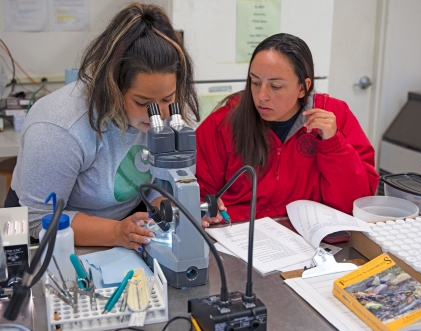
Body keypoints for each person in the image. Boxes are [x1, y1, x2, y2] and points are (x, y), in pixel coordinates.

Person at [5, 3, 201, 252]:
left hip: (120, 231)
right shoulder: (59, 128)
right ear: (112, 87)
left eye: (167, 99)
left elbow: (160, 187)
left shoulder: (170, 116)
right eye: (143, 103)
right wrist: (116, 232)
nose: (159, 116)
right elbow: (35, 219)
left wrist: (173, 211)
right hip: (42, 238)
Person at [196, 33, 379, 228]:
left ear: (303, 88)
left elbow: (356, 204)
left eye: (275, 86)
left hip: (306, 239)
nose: (262, 96)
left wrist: (333, 145)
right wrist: (201, 210)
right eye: (255, 82)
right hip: (237, 234)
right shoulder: (226, 122)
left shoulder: (336, 116)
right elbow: (193, 190)